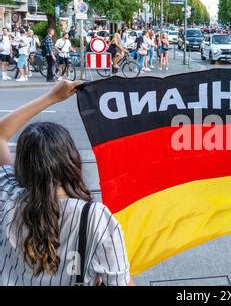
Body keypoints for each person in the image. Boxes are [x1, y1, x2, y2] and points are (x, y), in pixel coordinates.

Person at [0, 81, 132, 286]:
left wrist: (52, 96)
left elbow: (1, 133)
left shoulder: (7, 192)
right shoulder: (95, 217)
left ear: (23, 164)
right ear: (71, 160)